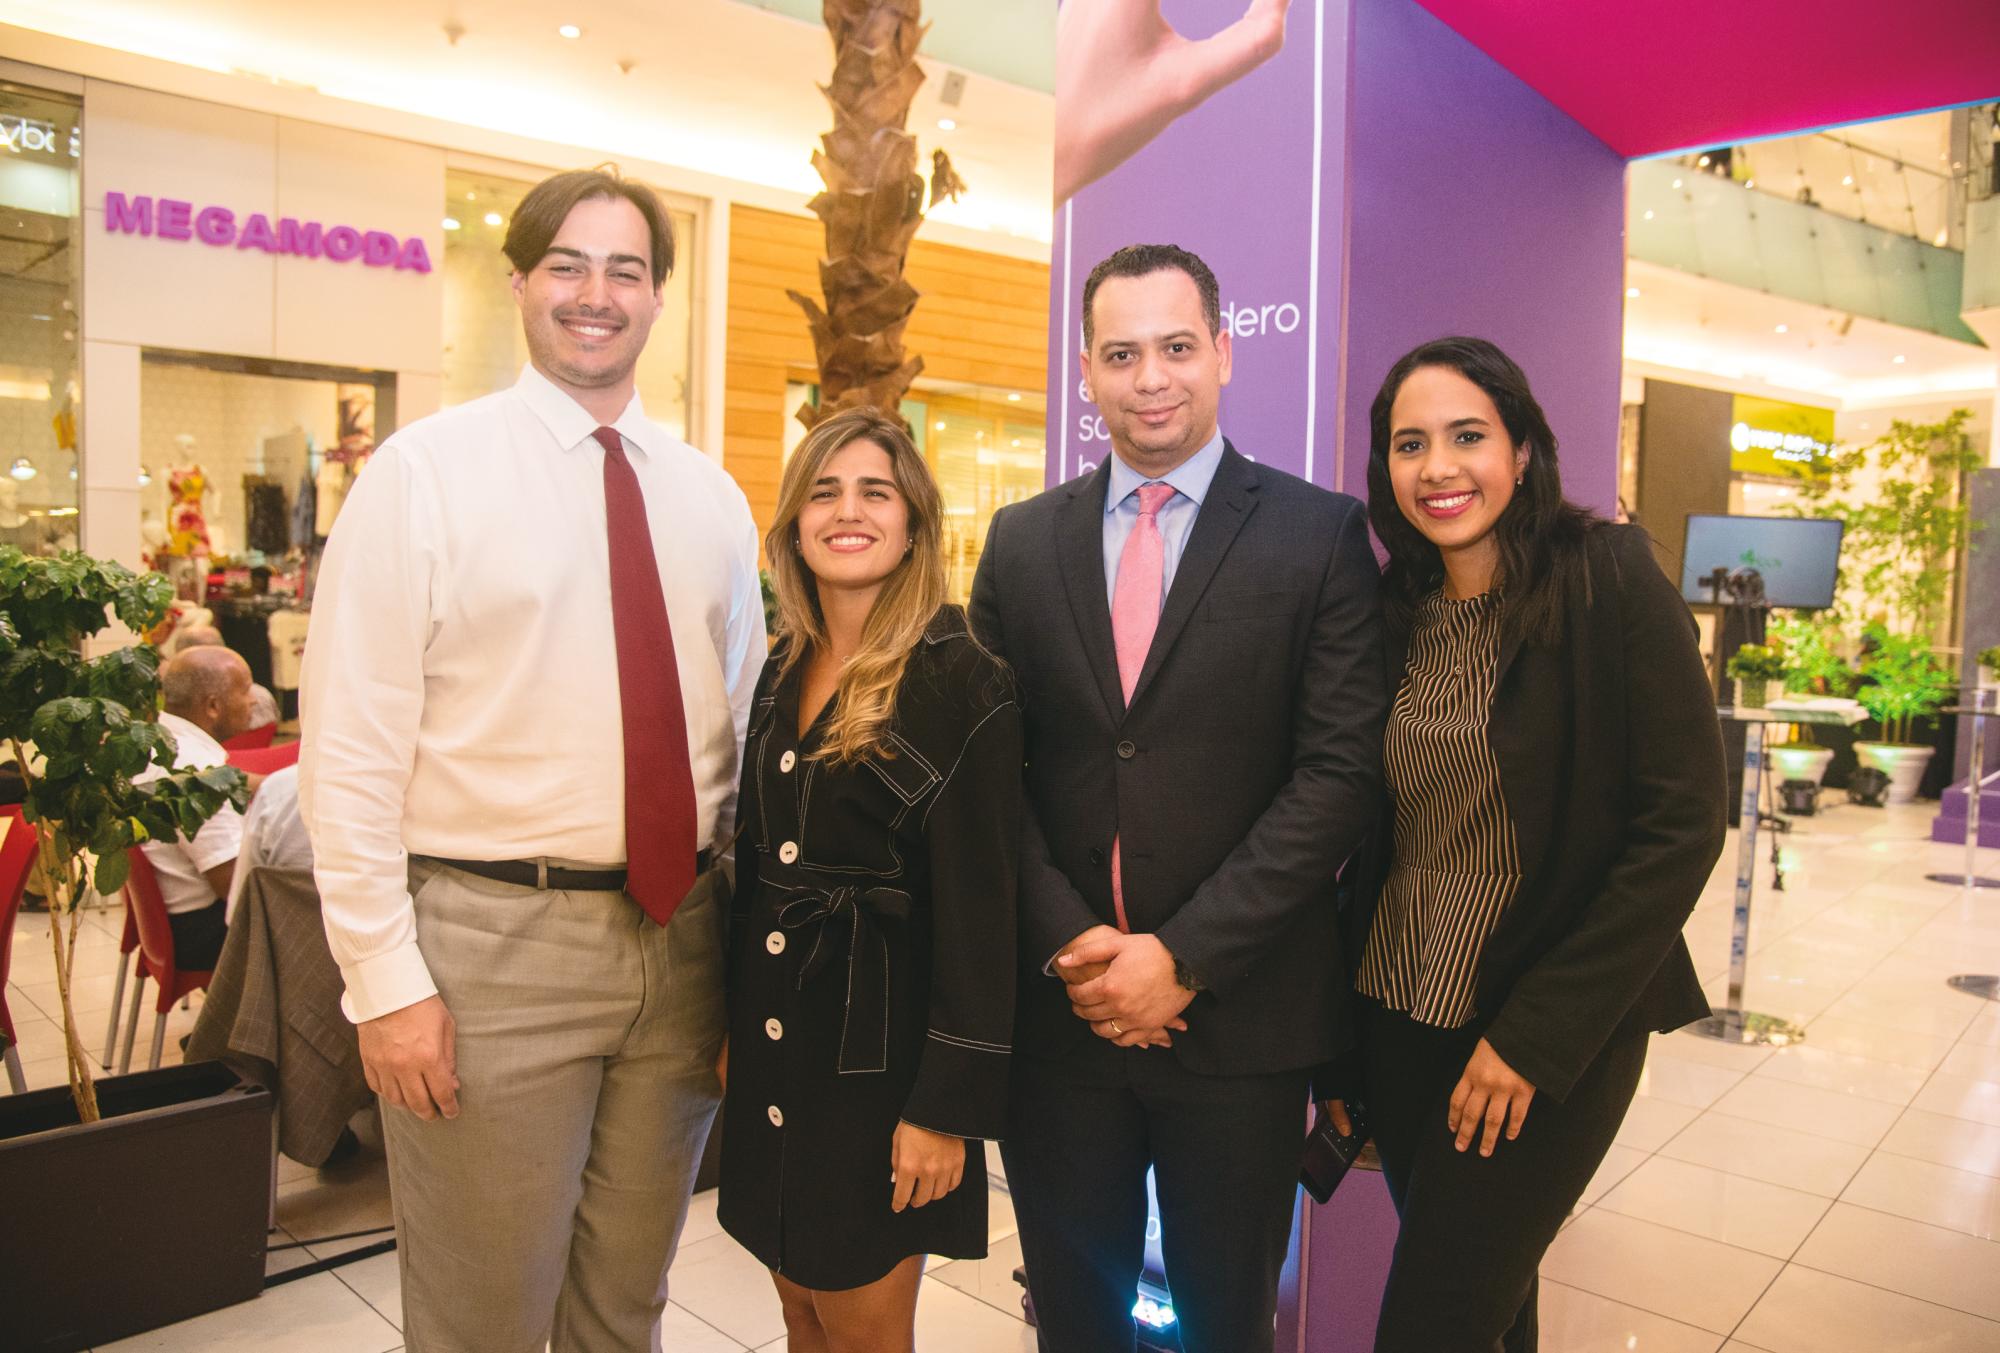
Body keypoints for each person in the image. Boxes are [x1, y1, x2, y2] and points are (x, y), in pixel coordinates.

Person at [299, 167, 764, 1352]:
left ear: (657, 297)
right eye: (567, 265)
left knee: (625, 1305)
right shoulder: (422, 475)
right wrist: (385, 985)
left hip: (681, 945)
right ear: (518, 283)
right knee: (484, 1319)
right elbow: (348, 753)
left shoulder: (710, 500)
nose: (594, 294)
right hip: (491, 951)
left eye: (624, 270)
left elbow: (738, 730)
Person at [968, 243, 1386, 1353]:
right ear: (1086, 371)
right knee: (1072, 1321)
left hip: (1241, 1024)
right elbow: (985, 774)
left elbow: (1338, 776)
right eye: (1120, 354)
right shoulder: (1020, 543)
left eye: (1175, 347)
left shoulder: (1318, 534)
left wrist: (1183, 957)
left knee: (1225, 1325)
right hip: (1062, 1021)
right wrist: (1072, 946)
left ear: (1223, 353)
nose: (1149, 378)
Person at [1343, 337, 1725, 1352]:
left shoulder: (1606, 578)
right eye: (1409, 444)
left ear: (1520, 450)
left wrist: (1534, 1036)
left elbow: (1683, 821)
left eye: (1466, 436)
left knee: (1430, 1326)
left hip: (1543, 1026)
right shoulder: (1395, 610)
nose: (1437, 467)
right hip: (1400, 1014)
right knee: (1492, 1312)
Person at [718, 407, 1021, 1353]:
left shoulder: (964, 679)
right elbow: (757, 865)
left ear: (914, 522)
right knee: (798, 1309)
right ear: (794, 525)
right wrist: (733, 1029)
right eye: (824, 492)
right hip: (780, 1038)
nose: (848, 511)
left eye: (874, 492)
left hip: (882, 1069)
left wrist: (943, 1110)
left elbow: (983, 917)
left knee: (861, 1327)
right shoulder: (784, 664)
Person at [137, 646, 258, 970]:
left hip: (174, 921)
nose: (255, 701)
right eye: (246, 690)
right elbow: (233, 887)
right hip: (205, 931)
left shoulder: (158, 741)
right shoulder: (197, 772)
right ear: (213, 706)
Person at [169, 625, 280, 733]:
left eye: (246, 691)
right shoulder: (264, 696)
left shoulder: (170, 709)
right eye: (245, 691)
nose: (254, 700)